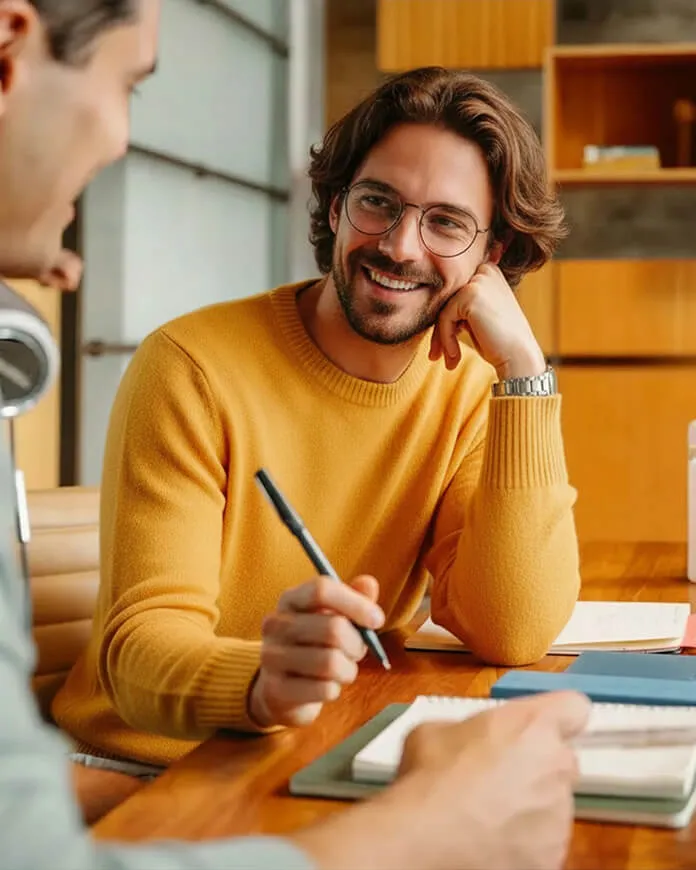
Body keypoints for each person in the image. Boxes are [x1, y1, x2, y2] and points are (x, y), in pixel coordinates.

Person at [0, 2, 593, 868]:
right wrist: (258, 678)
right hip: (143, 774)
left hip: (315, 762)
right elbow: (137, 652)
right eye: (377, 203)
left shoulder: (474, 392)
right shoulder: (193, 365)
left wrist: (524, 377)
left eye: (447, 223)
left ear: (494, 254)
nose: (398, 245)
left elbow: (513, 628)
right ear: (335, 201)